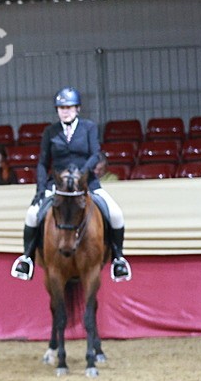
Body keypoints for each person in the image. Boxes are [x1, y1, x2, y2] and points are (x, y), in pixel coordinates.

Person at [11, 87, 131, 282]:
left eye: (69, 107)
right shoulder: (50, 131)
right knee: (32, 215)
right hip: (58, 185)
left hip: (87, 183)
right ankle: (27, 259)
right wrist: (40, 189)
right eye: (61, 108)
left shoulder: (88, 127)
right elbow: (43, 163)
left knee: (116, 214)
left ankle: (118, 259)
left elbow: (95, 154)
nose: (65, 111)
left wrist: (82, 174)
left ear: (77, 108)